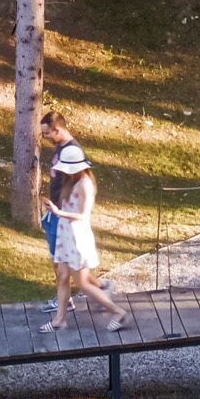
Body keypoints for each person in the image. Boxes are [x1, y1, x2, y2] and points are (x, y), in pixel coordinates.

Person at [40, 143, 128, 333]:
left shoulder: (85, 184)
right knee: (62, 277)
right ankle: (60, 320)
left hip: (77, 240)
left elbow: (83, 215)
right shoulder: (71, 182)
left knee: (83, 283)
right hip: (66, 236)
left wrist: (58, 212)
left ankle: (117, 312)